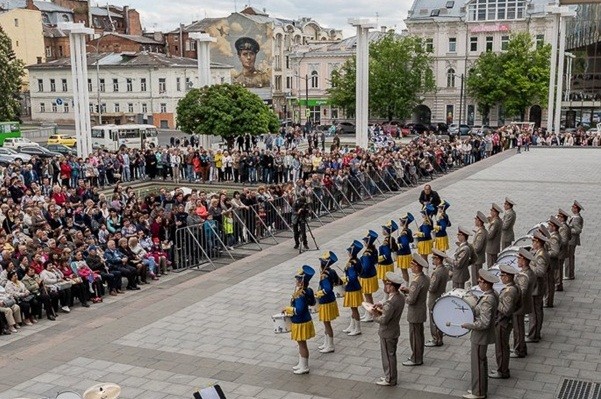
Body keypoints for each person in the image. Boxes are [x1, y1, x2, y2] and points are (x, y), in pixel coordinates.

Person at [461, 269, 499, 399]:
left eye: (480, 281)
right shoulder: (491, 294)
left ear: (486, 284)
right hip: (482, 336)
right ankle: (478, 387)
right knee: (480, 361)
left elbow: (484, 323)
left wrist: (468, 325)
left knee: (478, 363)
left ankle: (479, 392)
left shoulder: (488, 299)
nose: (479, 283)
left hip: (480, 336)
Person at [372, 271, 406, 386]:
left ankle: (390, 378)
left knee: (388, 356)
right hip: (394, 330)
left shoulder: (391, 302)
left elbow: (384, 320)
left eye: (387, 284)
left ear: (392, 287)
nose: (385, 286)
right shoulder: (400, 297)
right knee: (391, 354)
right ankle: (389, 375)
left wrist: (374, 314)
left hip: (387, 332)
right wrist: (382, 307)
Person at [283, 265, 316, 375]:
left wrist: (288, 309)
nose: (296, 281)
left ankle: (304, 366)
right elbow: (313, 303)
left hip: (301, 321)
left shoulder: (300, 294)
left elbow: (300, 310)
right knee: (301, 344)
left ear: (301, 281)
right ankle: (301, 363)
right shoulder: (308, 290)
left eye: (298, 279)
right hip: (304, 320)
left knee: (302, 344)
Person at [490, 264, 520, 379]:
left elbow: (507, 310)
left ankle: (502, 371)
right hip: (505, 322)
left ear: (507, 277)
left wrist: (496, 303)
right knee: (503, 347)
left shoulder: (509, 291)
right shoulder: (513, 287)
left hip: (503, 322)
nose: (501, 277)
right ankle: (502, 369)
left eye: (502, 275)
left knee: (501, 348)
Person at [401, 253, 430, 366]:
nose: (410, 267)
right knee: (419, 335)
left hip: (414, 312)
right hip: (421, 309)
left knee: (415, 336)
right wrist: (408, 290)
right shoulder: (425, 278)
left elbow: (411, 300)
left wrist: (404, 295)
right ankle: (418, 355)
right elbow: (419, 292)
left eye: (412, 265)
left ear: (417, 266)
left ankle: (416, 358)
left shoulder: (416, 281)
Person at [315, 251, 342, 354]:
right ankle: (326, 342)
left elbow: (327, 289)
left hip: (326, 301)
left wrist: (318, 293)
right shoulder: (332, 271)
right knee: (326, 323)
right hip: (331, 300)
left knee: (327, 324)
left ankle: (330, 345)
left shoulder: (324, 276)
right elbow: (339, 282)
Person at [512, 247, 535, 359]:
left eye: (519, 259)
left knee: (518, 329)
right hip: (523, 305)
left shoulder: (524, 276)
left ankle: (519, 349)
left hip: (519, 306)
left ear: (524, 260)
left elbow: (521, 292)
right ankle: (520, 347)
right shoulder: (528, 272)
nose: (517, 261)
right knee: (518, 327)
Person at [527, 231, 549, 343]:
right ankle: (534, 331)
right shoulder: (538, 252)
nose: (532, 243)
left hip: (537, 286)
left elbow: (540, 272)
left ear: (538, 242)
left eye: (534, 241)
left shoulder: (541, 255)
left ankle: (534, 334)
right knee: (536, 310)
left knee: (535, 311)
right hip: (536, 286)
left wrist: (529, 266)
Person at [426, 248, 449, 347]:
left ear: (438, 260)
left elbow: (432, 288)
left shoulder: (437, 272)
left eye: (434, 258)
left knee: (434, 319)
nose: (433, 260)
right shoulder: (445, 269)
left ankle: (436, 339)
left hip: (434, 298)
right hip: (441, 295)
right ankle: (439, 337)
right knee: (439, 318)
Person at [342, 240, 364, 336]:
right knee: (353, 308)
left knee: (354, 309)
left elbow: (352, 277)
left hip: (352, 287)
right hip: (355, 286)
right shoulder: (357, 260)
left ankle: (357, 328)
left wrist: (344, 279)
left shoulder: (351, 263)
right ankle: (352, 325)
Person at [359, 230, 379, 323]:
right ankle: (369, 313)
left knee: (367, 296)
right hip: (372, 274)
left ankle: (370, 314)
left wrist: (359, 271)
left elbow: (365, 267)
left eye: (365, 241)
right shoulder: (373, 250)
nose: (364, 242)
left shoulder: (367, 253)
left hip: (366, 276)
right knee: (369, 296)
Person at [544, 216, 561, 308]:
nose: (548, 227)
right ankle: (548, 300)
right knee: (548, 282)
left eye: (550, 225)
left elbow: (555, 252)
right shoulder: (553, 236)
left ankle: (548, 302)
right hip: (550, 263)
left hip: (551, 263)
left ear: (554, 227)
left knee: (549, 283)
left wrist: (545, 253)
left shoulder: (554, 238)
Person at [565, 200, 584, 280]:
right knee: (570, 257)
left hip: (571, 240)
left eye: (573, 207)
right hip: (572, 240)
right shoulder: (575, 217)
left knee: (569, 257)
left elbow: (577, 230)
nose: (572, 208)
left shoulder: (576, 218)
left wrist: (568, 230)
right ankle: (570, 273)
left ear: (576, 209)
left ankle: (569, 274)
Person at [556, 208, 572, 291]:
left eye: (559, 216)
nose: (557, 218)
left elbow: (565, 240)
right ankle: (558, 283)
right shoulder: (565, 226)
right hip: (562, 251)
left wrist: (556, 244)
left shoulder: (563, 227)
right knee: (558, 268)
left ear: (562, 218)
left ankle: (559, 284)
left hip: (560, 251)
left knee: (558, 269)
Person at [396, 213, 414, 284]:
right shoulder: (408, 230)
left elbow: (405, 244)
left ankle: (406, 285)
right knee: (404, 271)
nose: (399, 222)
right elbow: (411, 240)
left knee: (404, 271)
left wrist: (396, 245)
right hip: (407, 253)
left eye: (400, 221)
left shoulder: (404, 232)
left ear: (404, 222)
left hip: (403, 254)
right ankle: (406, 284)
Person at [472, 211, 488, 286]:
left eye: (476, 219)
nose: (475, 221)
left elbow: (477, 248)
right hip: (477, 259)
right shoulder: (481, 231)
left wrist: (468, 248)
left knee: (476, 280)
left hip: (477, 259)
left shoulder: (481, 233)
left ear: (479, 221)